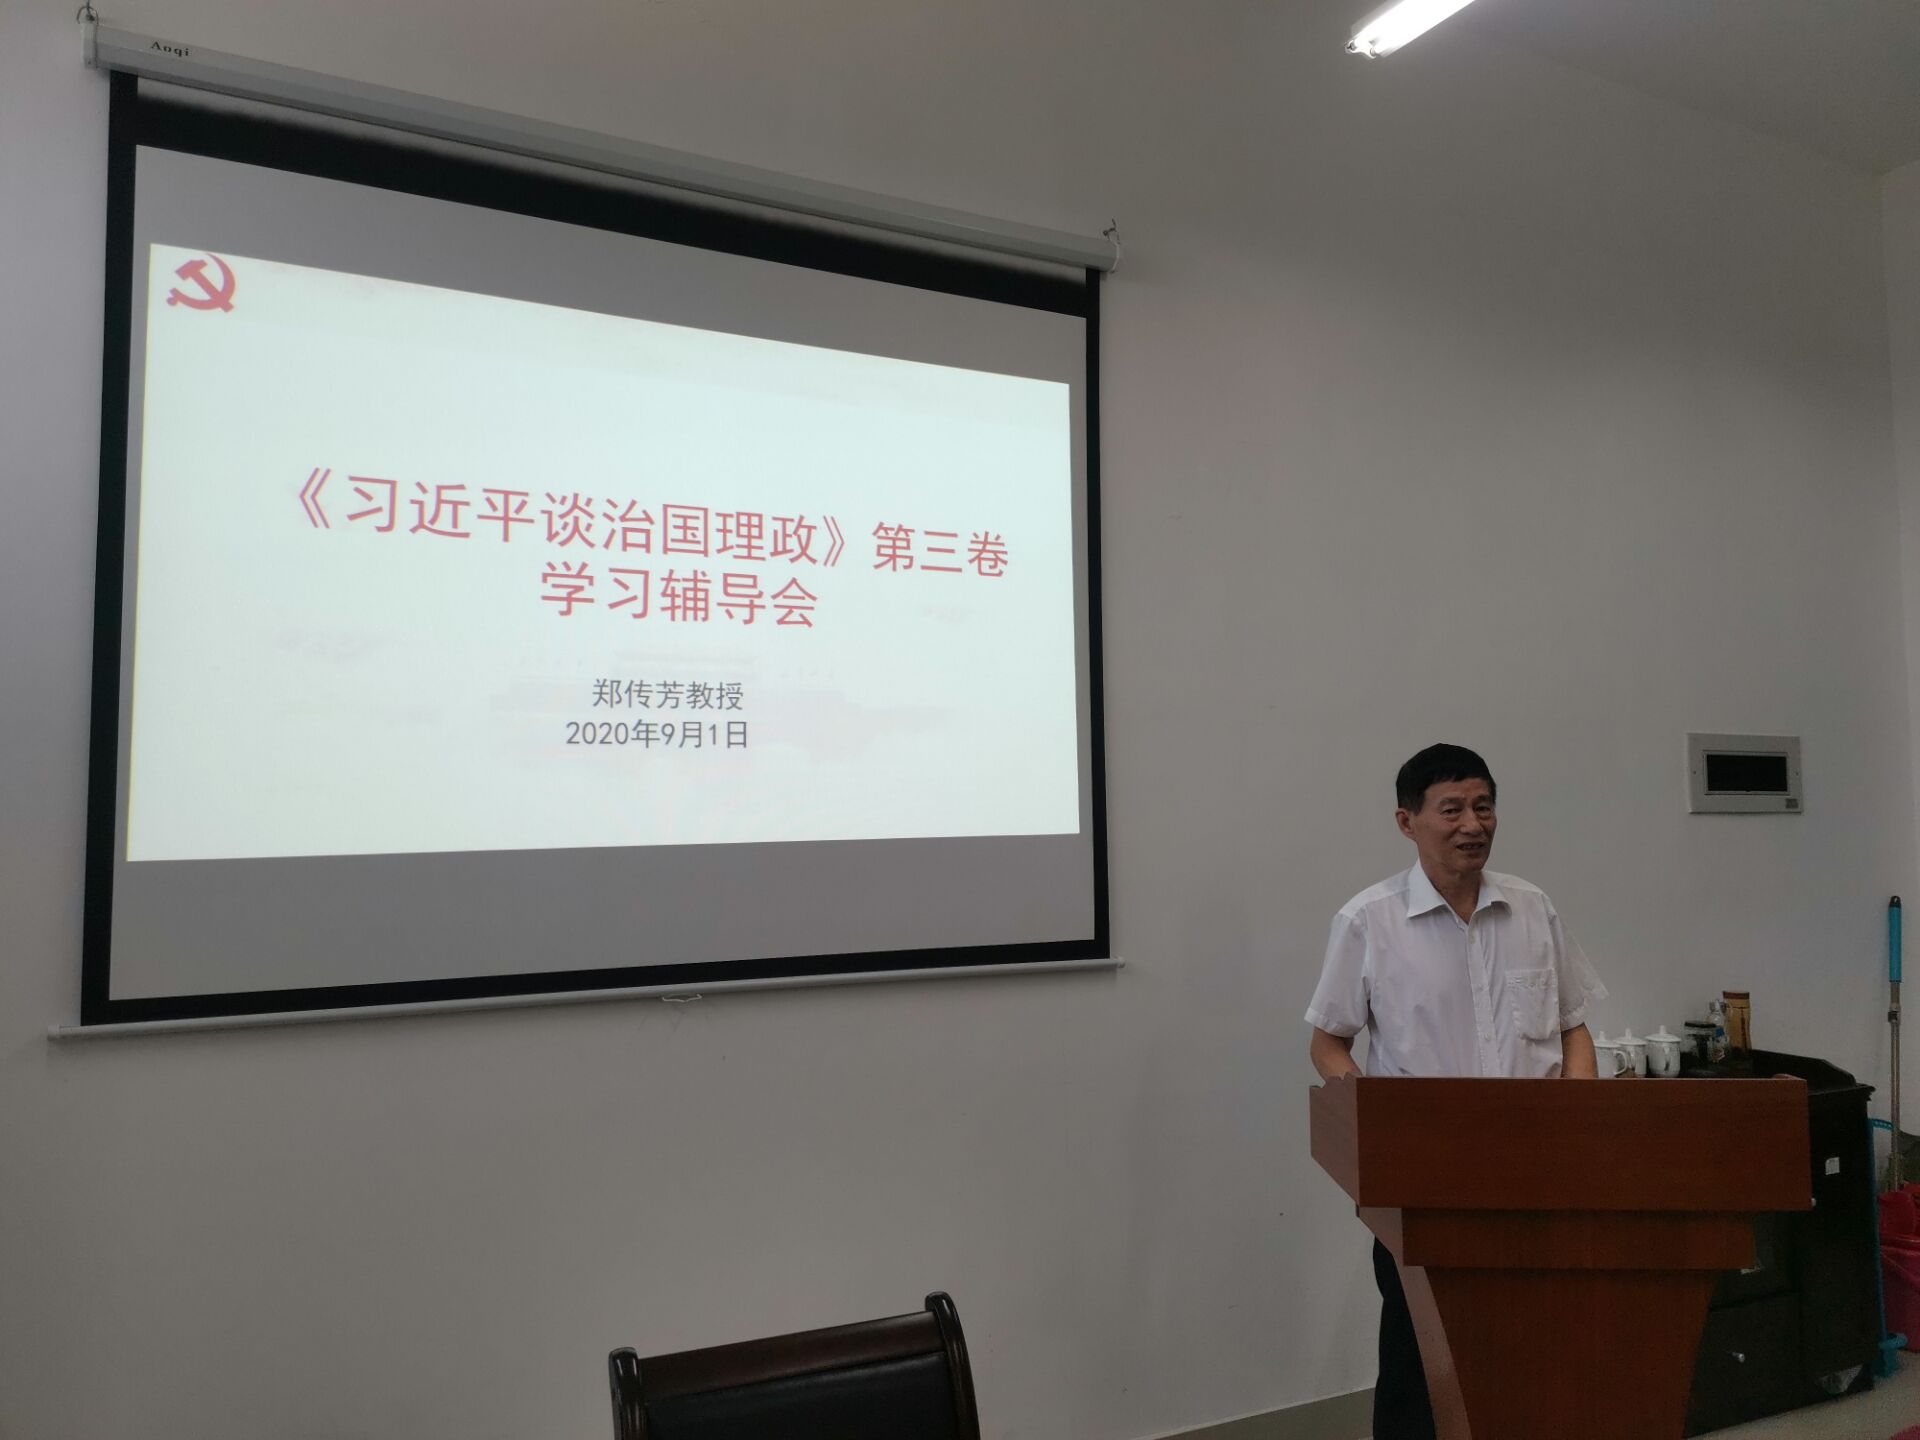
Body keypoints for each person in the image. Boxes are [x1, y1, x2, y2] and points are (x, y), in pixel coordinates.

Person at [1303, 743, 1606, 1440]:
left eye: (1483, 806)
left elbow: (1572, 1027)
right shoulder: (1368, 921)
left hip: (1538, 1170)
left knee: (1535, 1350)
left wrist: (1581, 1117)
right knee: (1420, 1361)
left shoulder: (1531, 908)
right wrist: (1379, 1124)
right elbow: (1327, 1044)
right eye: (1452, 810)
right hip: (1424, 1181)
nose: (1473, 824)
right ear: (1407, 822)